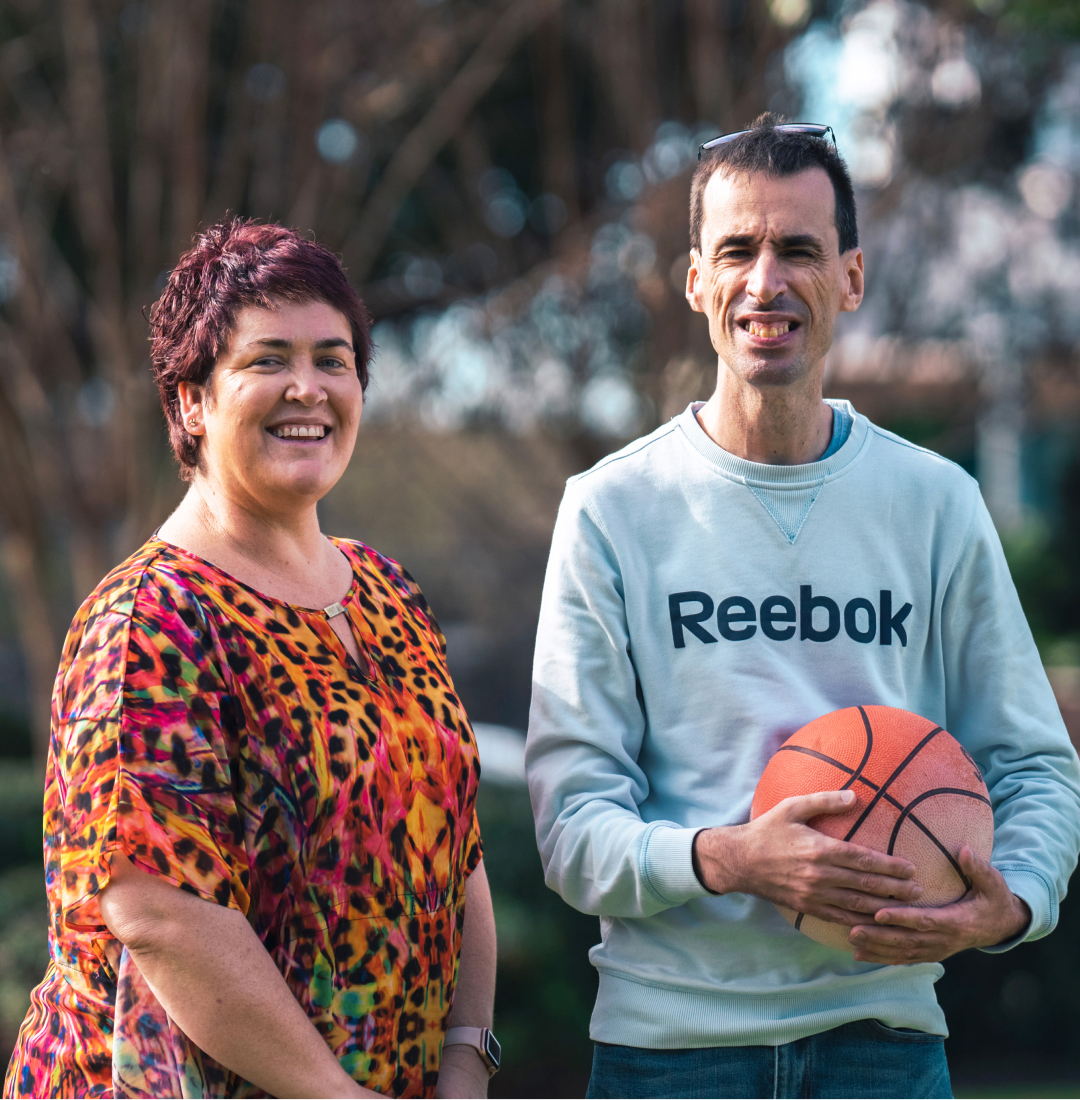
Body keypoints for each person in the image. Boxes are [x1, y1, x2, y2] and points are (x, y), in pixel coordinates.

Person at [526, 115, 1080, 1099]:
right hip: (669, 1050)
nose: (766, 281)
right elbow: (572, 827)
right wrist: (732, 857)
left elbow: (1034, 761)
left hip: (885, 1039)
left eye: (799, 249)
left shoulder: (933, 501)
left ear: (851, 278)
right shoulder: (613, 509)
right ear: (695, 280)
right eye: (737, 249)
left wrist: (1018, 900)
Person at [5, 220, 500, 1100]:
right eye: (268, 359)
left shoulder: (386, 592)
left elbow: (455, 846)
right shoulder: (150, 620)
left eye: (334, 359)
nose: (307, 388)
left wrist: (465, 1056)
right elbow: (163, 916)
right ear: (191, 401)